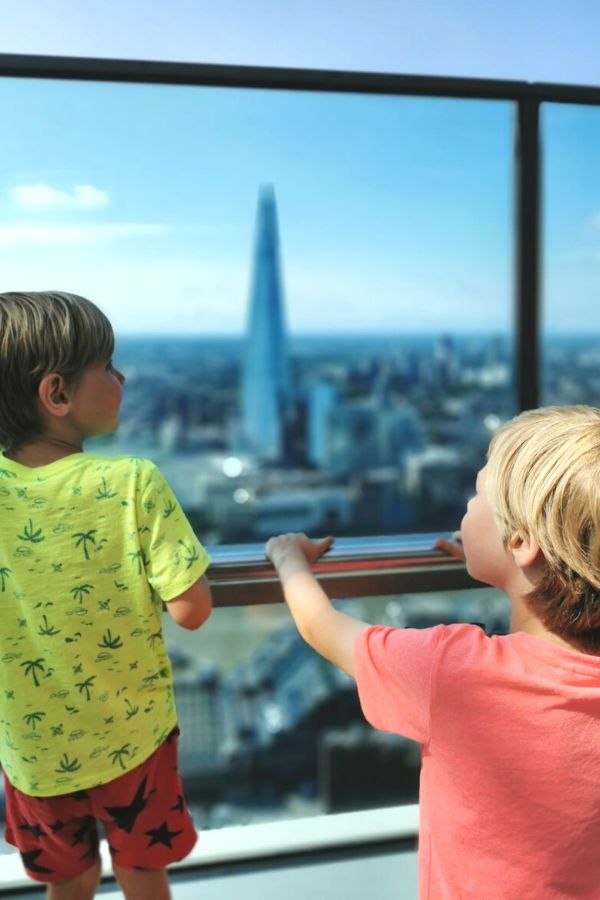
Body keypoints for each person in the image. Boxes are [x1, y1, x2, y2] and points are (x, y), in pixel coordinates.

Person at [266, 405, 600, 899]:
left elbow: (322, 626)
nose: (466, 507)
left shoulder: (452, 672)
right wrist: (494, 561)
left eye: (478, 493)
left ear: (521, 542)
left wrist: (288, 560)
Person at [0, 291, 213, 900]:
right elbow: (193, 611)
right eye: (108, 366)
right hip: (135, 743)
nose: (122, 378)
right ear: (57, 394)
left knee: (69, 881)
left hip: (34, 752)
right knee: (144, 872)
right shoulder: (131, 483)